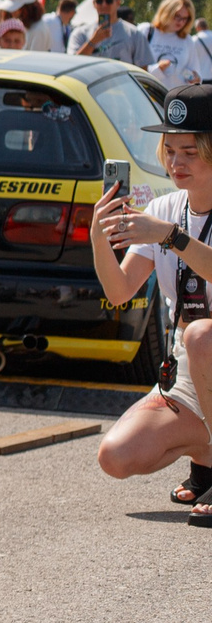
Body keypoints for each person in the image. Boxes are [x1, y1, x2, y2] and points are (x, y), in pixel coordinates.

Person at [93, 89, 212, 524]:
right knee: (116, 456)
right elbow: (120, 290)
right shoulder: (166, 208)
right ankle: (207, 457)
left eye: (190, 151)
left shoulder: (164, 223)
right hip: (190, 368)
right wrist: (97, 238)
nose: (176, 162)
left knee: (202, 334)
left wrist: (169, 237)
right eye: (170, 149)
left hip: (207, 349)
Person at [75, 0, 151, 66]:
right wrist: (93, 41)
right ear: (94, 4)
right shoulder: (80, 33)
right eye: (99, 1)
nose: (104, 5)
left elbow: (143, 68)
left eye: (109, 1)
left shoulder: (134, 34)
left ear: (118, 3)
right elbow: (73, 63)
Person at [146, 0, 212, 86]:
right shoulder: (146, 31)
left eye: (185, 18)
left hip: (176, 98)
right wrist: (158, 68)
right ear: (167, 12)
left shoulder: (187, 40)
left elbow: (197, 75)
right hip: (147, 96)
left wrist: (195, 78)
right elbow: (134, 68)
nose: (181, 22)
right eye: (177, 16)